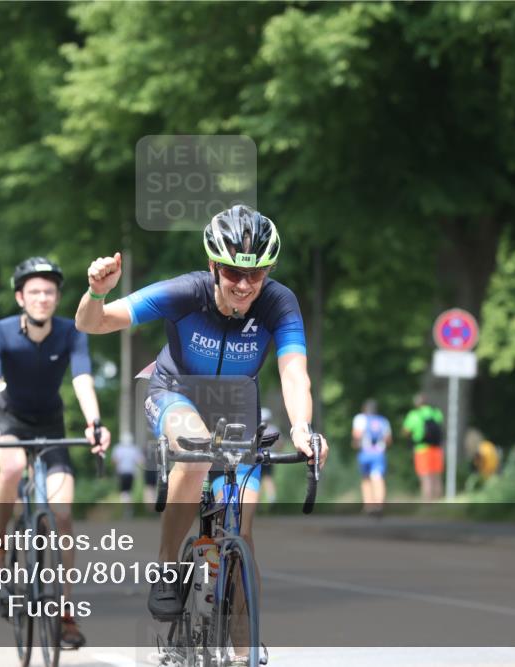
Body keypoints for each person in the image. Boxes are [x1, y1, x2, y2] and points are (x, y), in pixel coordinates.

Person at [75, 204, 328, 629]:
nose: (245, 285)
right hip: (175, 393)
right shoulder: (184, 293)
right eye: (232, 273)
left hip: (235, 405)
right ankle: (167, 567)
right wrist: (97, 293)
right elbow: (93, 323)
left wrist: (302, 427)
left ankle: (245, 650)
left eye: (257, 273)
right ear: (213, 265)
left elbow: (293, 372)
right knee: (195, 456)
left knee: (241, 538)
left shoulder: (279, 303)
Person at [0, 256, 111, 650]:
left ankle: (66, 613)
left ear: (57, 298)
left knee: (64, 516)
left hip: (52, 425)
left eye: (49, 291)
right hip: (11, 420)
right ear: (20, 297)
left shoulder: (71, 332)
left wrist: (94, 422)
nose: (42, 298)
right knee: (13, 466)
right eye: (34, 291)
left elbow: (83, 379)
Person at [351, 399, 391, 516]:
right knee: (378, 477)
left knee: (366, 478)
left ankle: (368, 505)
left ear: (364, 409)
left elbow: (356, 435)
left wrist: (355, 443)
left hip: (365, 453)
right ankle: (379, 504)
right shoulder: (383, 421)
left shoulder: (360, 419)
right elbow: (388, 440)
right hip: (379, 453)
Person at [402, 393, 444, 500]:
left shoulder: (414, 415)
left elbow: (405, 431)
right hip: (437, 448)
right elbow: (440, 424)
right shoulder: (435, 412)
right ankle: (438, 502)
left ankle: (427, 502)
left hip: (422, 449)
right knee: (436, 476)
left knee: (425, 477)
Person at [111, 440, 144, 511]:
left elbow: (114, 460)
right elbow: (140, 461)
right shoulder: (134, 449)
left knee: (123, 492)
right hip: (131, 473)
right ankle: (128, 508)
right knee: (128, 491)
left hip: (122, 473)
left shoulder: (118, 448)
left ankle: (125, 508)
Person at [259, 407, 280, 504]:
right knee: (268, 478)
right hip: (270, 457)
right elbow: (280, 444)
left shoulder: (258, 429)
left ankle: (256, 502)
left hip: (258, 457)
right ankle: (272, 498)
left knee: (256, 479)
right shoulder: (274, 429)